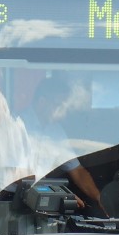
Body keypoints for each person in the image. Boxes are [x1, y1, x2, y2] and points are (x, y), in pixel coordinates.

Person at [30, 77, 105, 214]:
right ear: (42, 102)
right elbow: (18, 176)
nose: (63, 112)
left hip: (38, 201)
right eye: (59, 105)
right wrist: (59, 194)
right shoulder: (16, 126)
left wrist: (99, 197)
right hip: (7, 203)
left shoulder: (55, 130)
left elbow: (77, 170)